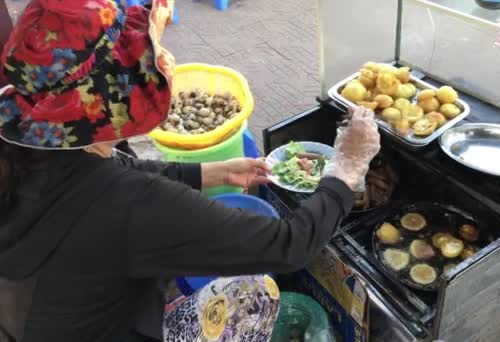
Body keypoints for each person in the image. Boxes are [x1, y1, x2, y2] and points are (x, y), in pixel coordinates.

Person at [0, 1, 381, 341]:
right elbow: (289, 245)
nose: (162, 61)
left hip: (38, 319)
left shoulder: (27, 146)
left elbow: (118, 171)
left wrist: (213, 173)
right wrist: (347, 167)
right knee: (255, 293)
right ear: (111, 97)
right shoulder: (129, 205)